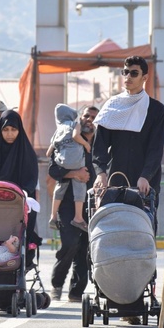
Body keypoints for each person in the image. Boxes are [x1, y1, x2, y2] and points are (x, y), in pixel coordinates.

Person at [92, 55, 164, 324]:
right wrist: (101, 173)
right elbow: (99, 147)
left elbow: (156, 148)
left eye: (133, 73)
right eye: (125, 72)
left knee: (140, 239)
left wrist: (146, 176)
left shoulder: (156, 110)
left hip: (144, 186)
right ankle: (113, 294)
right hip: (114, 184)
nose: (128, 77)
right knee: (113, 237)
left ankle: (138, 298)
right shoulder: (112, 107)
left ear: (144, 76)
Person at [49, 105, 98, 301]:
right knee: (69, 243)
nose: (89, 119)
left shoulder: (100, 148)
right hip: (68, 202)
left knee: (86, 248)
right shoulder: (67, 141)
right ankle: (57, 284)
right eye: (86, 115)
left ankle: (77, 291)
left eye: (93, 117)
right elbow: (53, 170)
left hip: (92, 204)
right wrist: (74, 174)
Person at [0, 109, 40, 248]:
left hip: (19, 203)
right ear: (0, 129)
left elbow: (31, 181)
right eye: (6, 129)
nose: (9, 134)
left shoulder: (27, 152)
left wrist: (21, 193)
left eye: (13, 129)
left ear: (19, 130)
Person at [46, 104, 90, 232]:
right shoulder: (74, 124)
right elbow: (76, 136)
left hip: (62, 163)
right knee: (80, 185)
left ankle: (53, 216)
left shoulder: (58, 130)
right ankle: (78, 217)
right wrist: (86, 144)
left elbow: (49, 153)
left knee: (60, 187)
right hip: (77, 162)